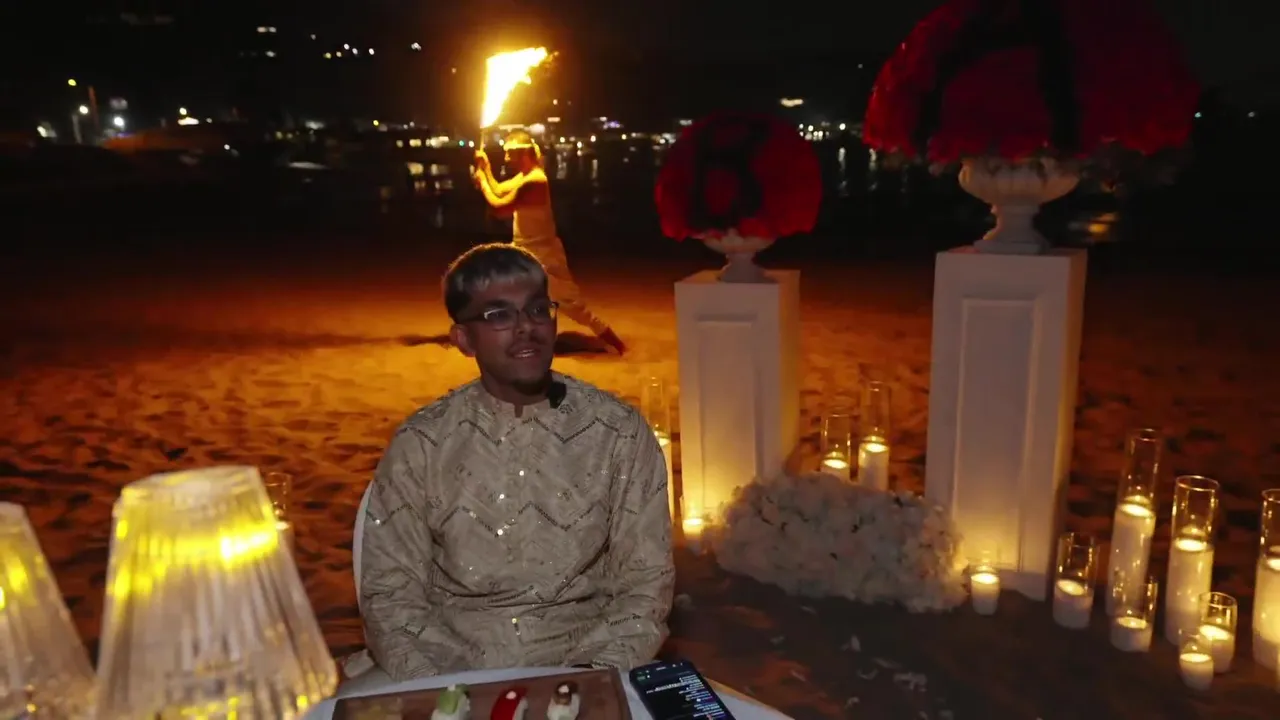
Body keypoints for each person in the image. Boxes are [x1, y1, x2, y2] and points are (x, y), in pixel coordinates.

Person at [359, 243, 674, 681]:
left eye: (538, 310)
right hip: (448, 669)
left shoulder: (617, 432)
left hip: (590, 664)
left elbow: (646, 587)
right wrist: (444, 691)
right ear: (463, 339)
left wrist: (588, 679)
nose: (526, 327)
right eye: (499, 315)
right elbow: (389, 595)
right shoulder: (424, 443)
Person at [472, 130, 627, 355]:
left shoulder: (535, 181)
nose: (505, 157)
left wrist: (483, 182)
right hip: (524, 252)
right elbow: (498, 190)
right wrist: (485, 169)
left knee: (572, 306)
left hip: (542, 255)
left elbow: (499, 208)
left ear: (524, 154)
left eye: (509, 153)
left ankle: (617, 344)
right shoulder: (524, 177)